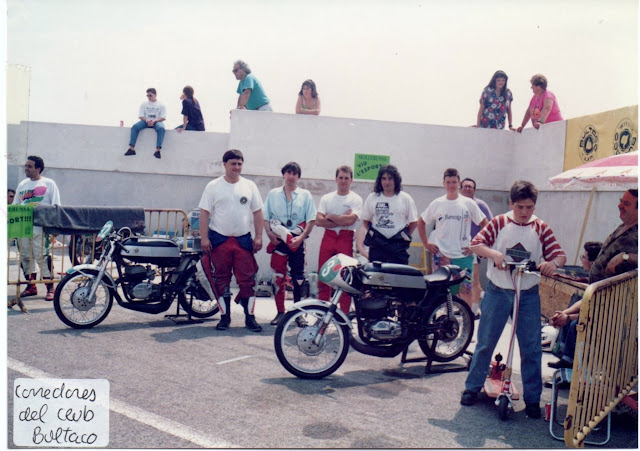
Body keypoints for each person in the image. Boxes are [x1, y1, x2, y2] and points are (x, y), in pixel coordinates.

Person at [460, 180, 567, 419]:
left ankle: (532, 399)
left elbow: (560, 255)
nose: (524, 212)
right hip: (498, 290)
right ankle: (472, 388)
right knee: (486, 342)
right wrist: (494, 254)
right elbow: (476, 245)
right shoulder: (500, 222)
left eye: (529, 207)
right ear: (511, 204)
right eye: (520, 207)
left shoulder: (540, 227)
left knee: (531, 347)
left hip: (527, 294)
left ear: (534, 206)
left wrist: (552, 263)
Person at [548, 189, 638, 368]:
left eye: (626, 203)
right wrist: (566, 314)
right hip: (598, 297)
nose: (620, 205)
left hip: (616, 307)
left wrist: (626, 256)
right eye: (621, 200)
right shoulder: (621, 228)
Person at [198, 149, 264, 332]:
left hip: (243, 240)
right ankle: (224, 318)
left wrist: (259, 236)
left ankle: (250, 318)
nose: (236, 167)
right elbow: (204, 212)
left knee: (248, 280)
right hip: (220, 239)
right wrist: (204, 238)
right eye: (233, 164)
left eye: (239, 164)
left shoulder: (249, 186)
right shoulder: (213, 186)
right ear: (224, 165)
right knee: (221, 280)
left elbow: (258, 212)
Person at [418, 169, 488, 311]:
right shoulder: (437, 203)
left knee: (465, 292)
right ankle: (444, 319)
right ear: (443, 184)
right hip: (441, 255)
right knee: (440, 292)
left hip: (464, 256)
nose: (451, 185)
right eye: (448, 182)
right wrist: (426, 243)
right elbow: (421, 221)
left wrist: (475, 245)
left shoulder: (468, 203)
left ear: (459, 183)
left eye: (454, 182)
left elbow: (485, 223)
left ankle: (466, 320)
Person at [264, 162, 316, 325]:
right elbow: (266, 218)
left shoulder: (305, 195)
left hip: (296, 241)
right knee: (278, 278)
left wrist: (301, 238)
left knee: (298, 278)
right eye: (288, 172)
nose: (291, 176)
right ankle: (280, 312)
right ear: (283, 174)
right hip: (279, 241)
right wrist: (270, 234)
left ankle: (298, 314)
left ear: (298, 177)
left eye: (294, 173)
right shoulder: (273, 194)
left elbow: (311, 219)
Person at [544, 241, 602, 378]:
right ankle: (564, 358)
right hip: (591, 315)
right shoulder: (593, 278)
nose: (581, 260)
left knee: (573, 324)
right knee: (568, 319)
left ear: (592, 262)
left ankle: (569, 363)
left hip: (600, 320)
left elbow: (596, 313)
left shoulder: (601, 281)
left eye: (583, 257)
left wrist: (568, 317)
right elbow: (584, 302)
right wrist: (564, 313)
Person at [13, 156, 61, 301]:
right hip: (23, 226)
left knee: (43, 257)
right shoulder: (22, 184)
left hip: (41, 227)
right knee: (25, 257)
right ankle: (31, 286)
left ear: (38, 168)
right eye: (26, 166)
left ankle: (50, 287)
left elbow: (56, 205)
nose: (26, 169)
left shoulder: (49, 183)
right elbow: (16, 205)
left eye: (29, 166)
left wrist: (55, 226)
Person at [316, 166, 362, 313]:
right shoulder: (327, 198)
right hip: (328, 237)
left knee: (345, 278)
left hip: (345, 238)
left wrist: (330, 216)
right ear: (335, 179)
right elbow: (318, 221)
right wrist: (341, 219)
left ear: (351, 180)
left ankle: (344, 316)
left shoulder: (356, 199)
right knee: (323, 276)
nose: (343, 181)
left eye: (346, 178)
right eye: (340, 178)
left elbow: (350, 220)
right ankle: (322, 313)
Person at [360, 165, 418, 265]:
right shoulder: (372, 197)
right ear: (380, 180)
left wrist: (402, 235)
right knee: (376, 274)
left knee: (398, 274)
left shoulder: (405, 198)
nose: (387, 182)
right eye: (384, 178)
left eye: (390, 178)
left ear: (396, 180)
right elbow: (366, 220)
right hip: (377, 246)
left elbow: (414, 222)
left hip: (398, 247)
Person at [460, 177, 494, 314]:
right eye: (465, 186)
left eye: (470, 187)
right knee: (460, 281)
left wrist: (477, 244)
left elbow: (489, 225)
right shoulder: (456, 204)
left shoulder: (480, 205)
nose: (467, 189)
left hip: (472, 249)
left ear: (474, 190)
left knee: (473, 280)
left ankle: (474, 310)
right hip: (456, 249)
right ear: (460, 189)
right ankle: (463, 307)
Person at [125, 88, 167, 159]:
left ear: (155, 95)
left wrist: (154, 121)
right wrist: (147, 120)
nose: (149, 97)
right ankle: (131, 148)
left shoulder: (161, 105)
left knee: (161, 128)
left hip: (157, 121)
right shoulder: (144, 104)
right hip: (145, 121)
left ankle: (158, 150)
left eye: (150, 95)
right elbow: (140, 116)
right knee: (135, 127)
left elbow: (163, 117)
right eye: (147, 95)